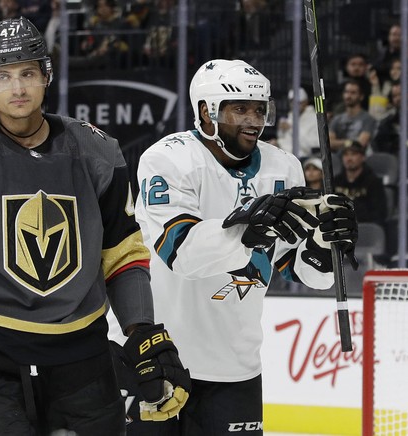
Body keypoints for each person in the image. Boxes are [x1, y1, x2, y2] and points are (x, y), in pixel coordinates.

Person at [0, 16, 190, 436]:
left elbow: (123, 254)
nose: (17, 87)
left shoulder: (97, 150)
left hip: (83, 351)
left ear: (46, 75)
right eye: (3, 76)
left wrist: (141, 331)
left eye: (28, 73)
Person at [127, 59, 358, 435]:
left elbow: (302, 272)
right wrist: (250, 230)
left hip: (236, 366)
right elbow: (180, 253)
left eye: (259, 109)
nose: (254, 120)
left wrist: (322, 246)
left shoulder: (284, 168)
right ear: (206, 111)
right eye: (240, 109)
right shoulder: (168, 158)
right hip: (159, 357)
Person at [334, 140, 388, 228]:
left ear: (363, 157)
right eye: (346, 154)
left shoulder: (373, 182)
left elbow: (379, 214)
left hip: (364, 229)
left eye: (353, 154)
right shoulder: (336, 181)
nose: (349, 158)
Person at [328, 79, 376, 153]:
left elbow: (360, 143)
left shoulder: (368, 119)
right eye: (346, 92)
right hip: (337, 158)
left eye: (353, 93)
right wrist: (349, 142)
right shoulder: (337, 119)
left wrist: (338, 143)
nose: (348, 96)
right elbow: (329, 143)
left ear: (361, 96)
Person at [275, 87, 320, 158]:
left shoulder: (314, 119)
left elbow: (311, 146)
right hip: (283, 155)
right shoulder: (289, 118)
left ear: (306, 102)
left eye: (298, 102)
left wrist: (290, 129)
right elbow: (283, 139)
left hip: (302, 158)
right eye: (291, 102)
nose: (294, 105)